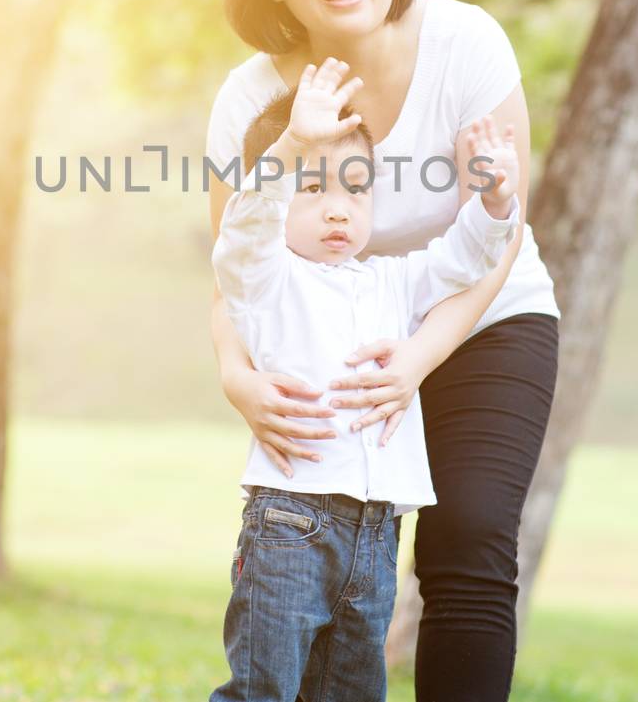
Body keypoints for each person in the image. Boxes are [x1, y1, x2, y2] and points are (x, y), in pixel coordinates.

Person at [205, 0, 561, 700]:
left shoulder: (464, 41)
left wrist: (417, 360)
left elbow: (499, 234)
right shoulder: (252, 102)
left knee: (468, 538)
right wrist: (235, 374)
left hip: (478, 314)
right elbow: (236, 265)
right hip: (337, 335)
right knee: (322, 558)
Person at [210, 56, 522, 702]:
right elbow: (245, 226)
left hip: (377, 534)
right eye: (313, 186)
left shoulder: (389, 280)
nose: (337, 210)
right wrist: (292, 141)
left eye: (355, 188)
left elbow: (464, 258)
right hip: (290, 527)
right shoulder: (266, 279)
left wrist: (494, 197)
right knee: (261, 690)